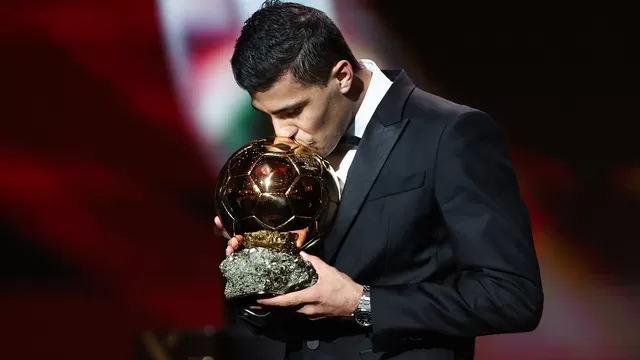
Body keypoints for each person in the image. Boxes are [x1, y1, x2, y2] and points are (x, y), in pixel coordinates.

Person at [213, 1, 543, 359]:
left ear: (342, 76)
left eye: (292, 111)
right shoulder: (289, 155)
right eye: (269, 116)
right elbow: (299, 319)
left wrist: (361, 302)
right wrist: (259, 275)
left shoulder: (451, 134)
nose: (282, 134)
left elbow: (512, 296)